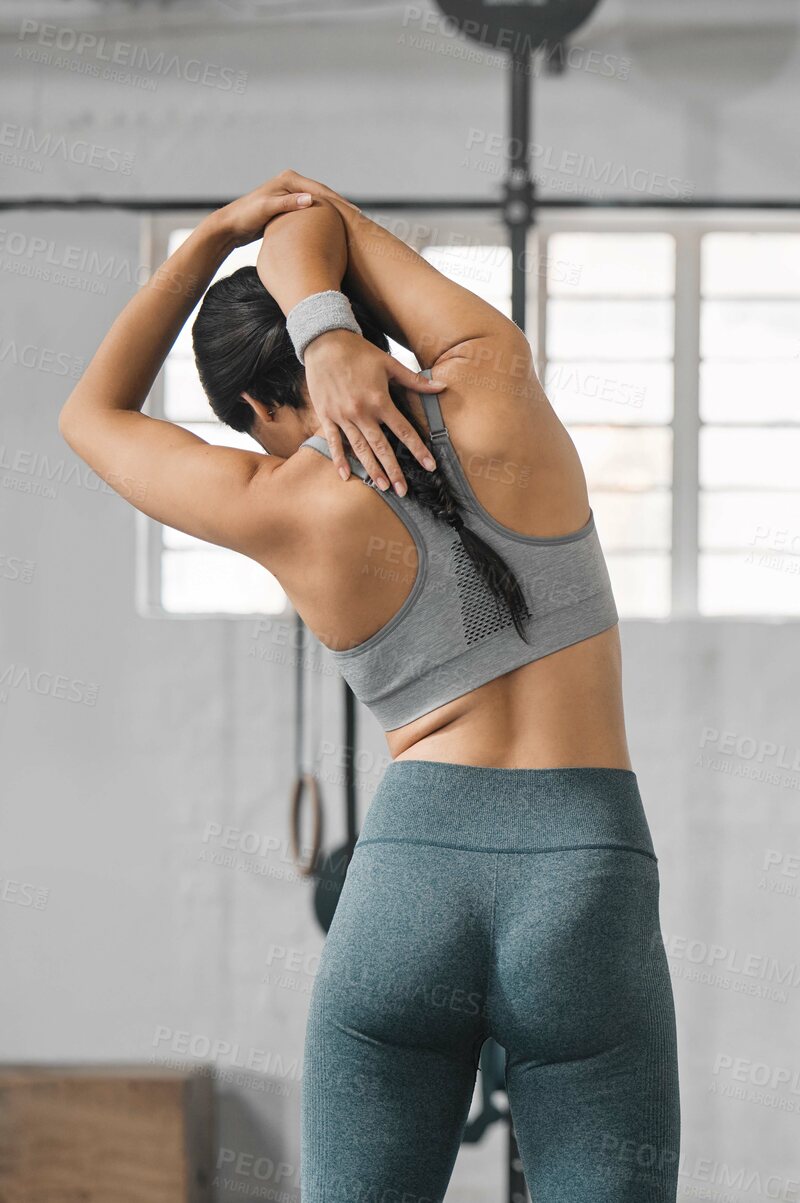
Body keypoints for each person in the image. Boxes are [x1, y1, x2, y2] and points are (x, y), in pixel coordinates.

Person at [58, 172, 678, 1202]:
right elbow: (320, 212)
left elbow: (91, 414)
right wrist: (330, 325)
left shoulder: (272, 499)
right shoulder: (494, 380)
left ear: (257, 404)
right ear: (377, 324)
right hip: (587, 871)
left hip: (408, 890)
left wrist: (214, 236)